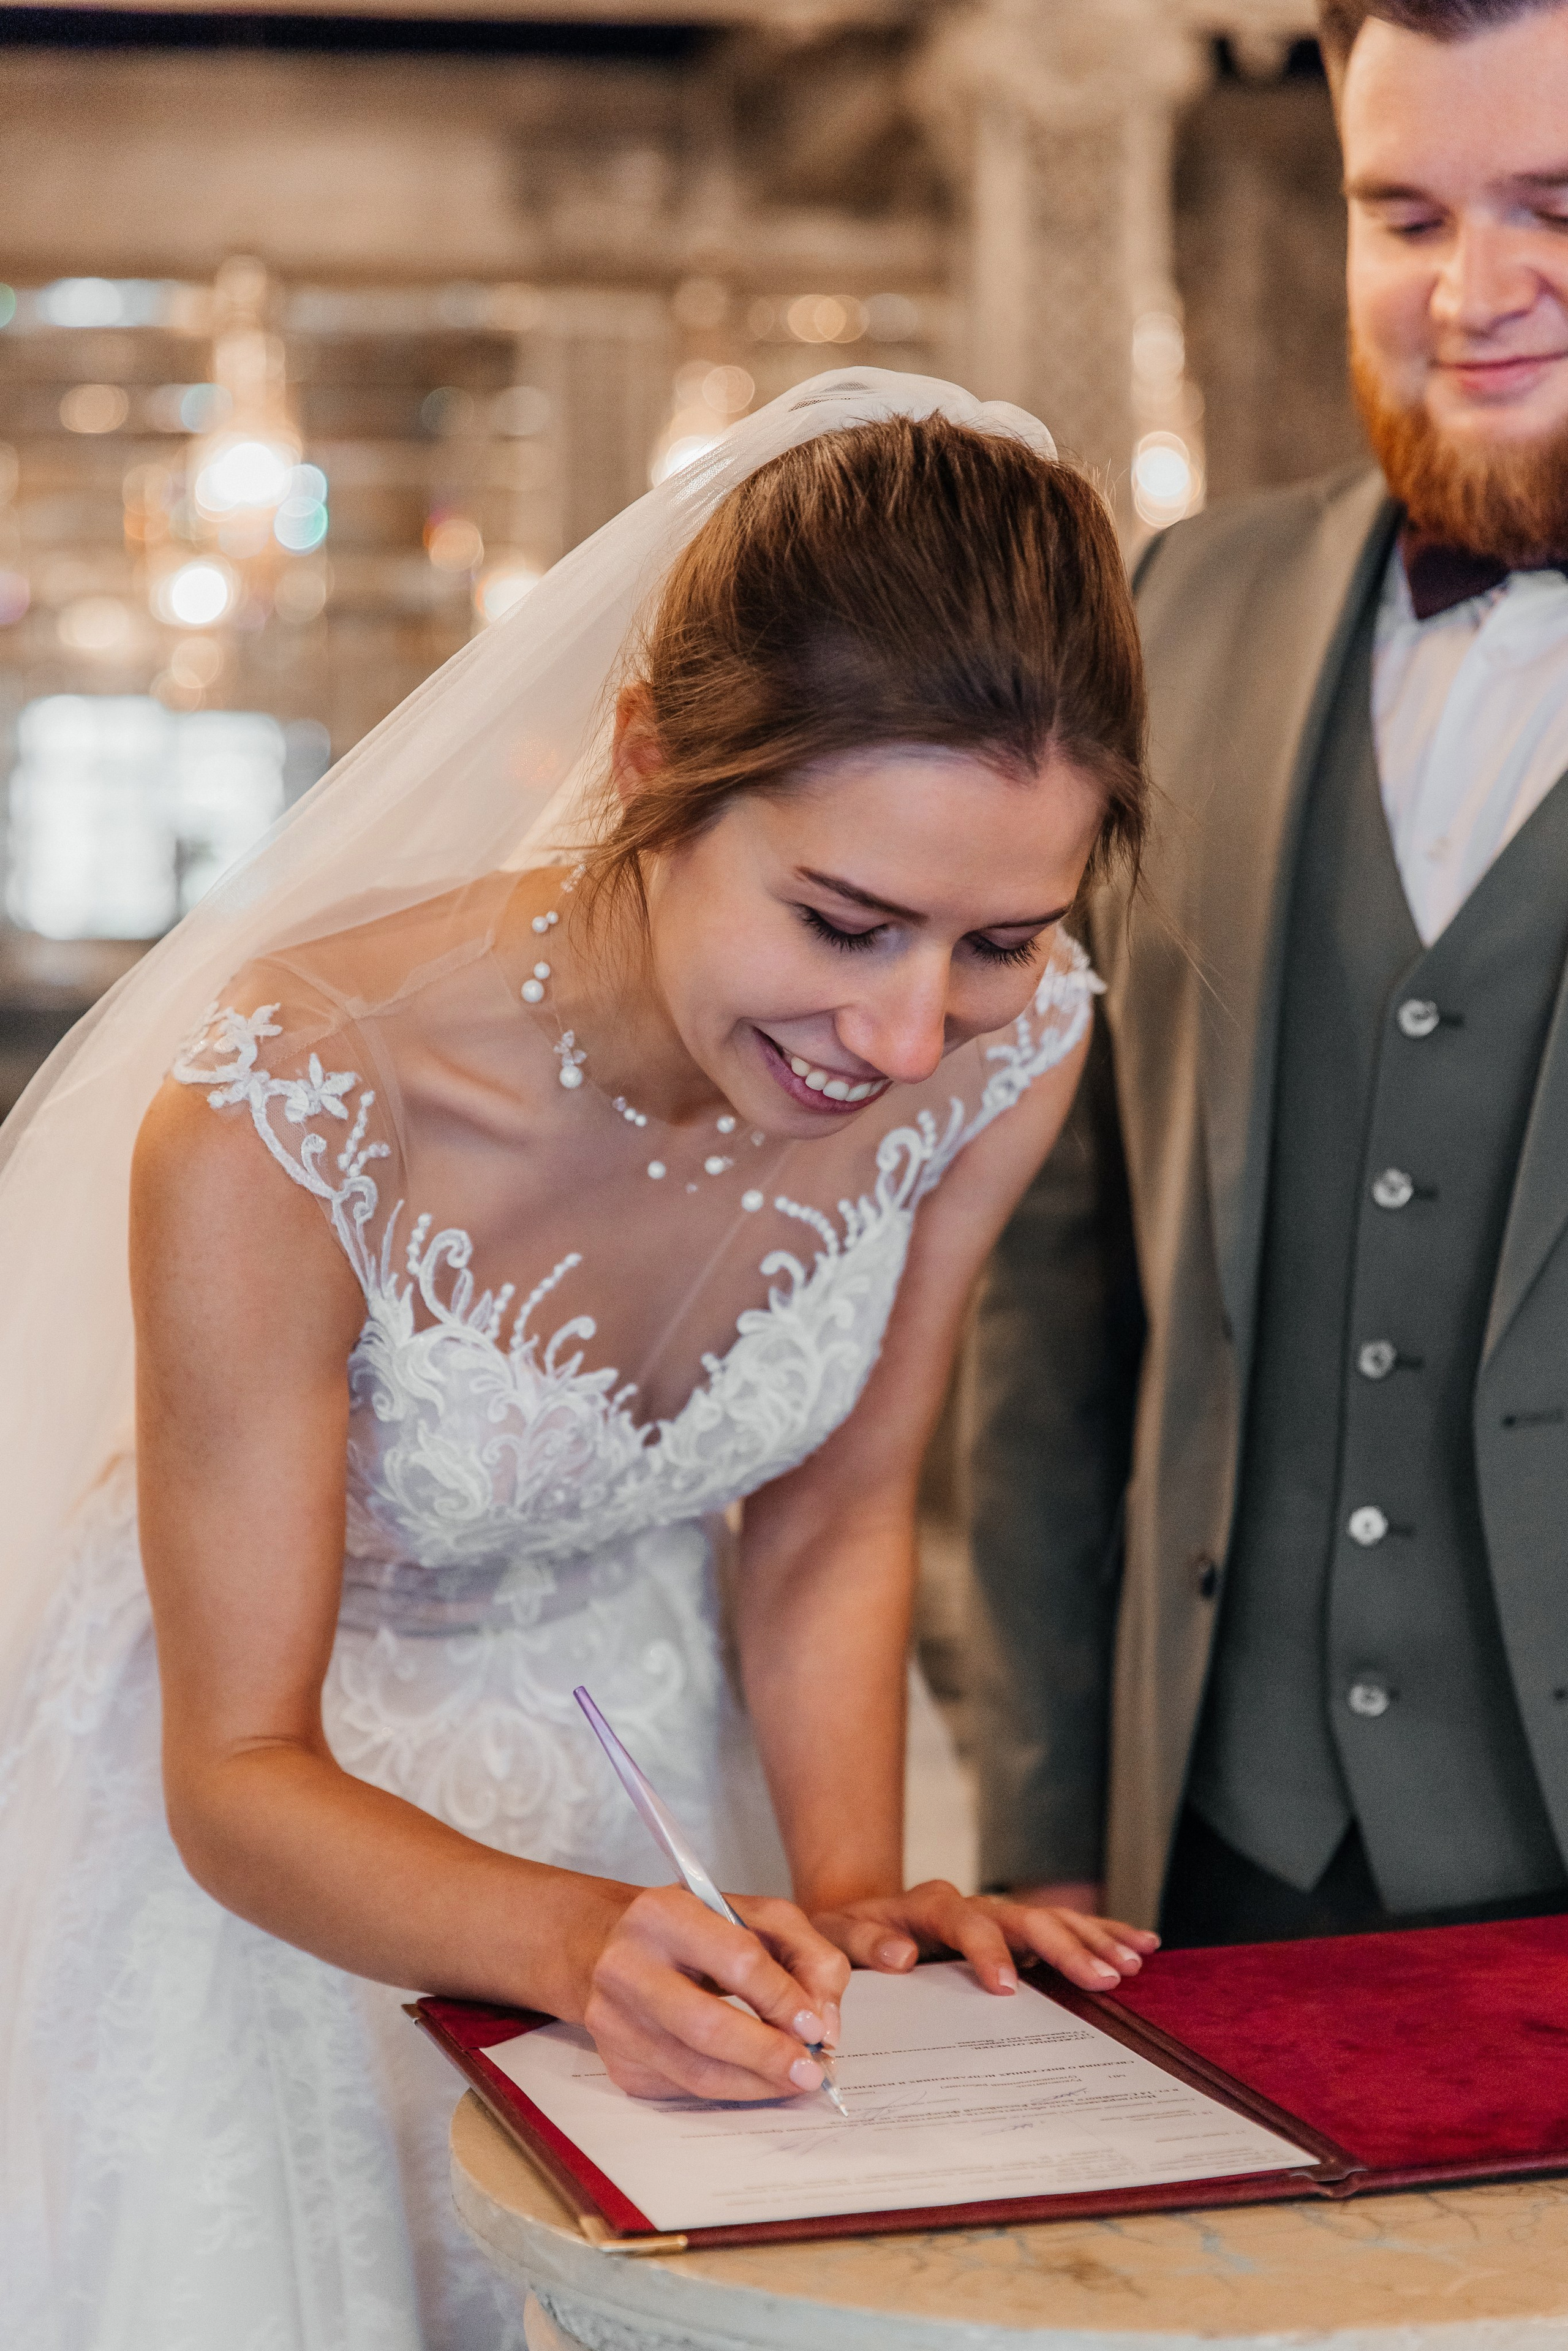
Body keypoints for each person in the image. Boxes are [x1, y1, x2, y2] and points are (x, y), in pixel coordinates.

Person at [1, 371, 1158, 2350]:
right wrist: (572, 1941)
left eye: (999, 939)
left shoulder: (1009, 1060)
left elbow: (833, 1515)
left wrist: (856, 1901)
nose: (905, 1038)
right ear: (646, 766)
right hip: (287, 1861)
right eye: (846, 918)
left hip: (655, 1779)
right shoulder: (296, 1103)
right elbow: (236, 1770)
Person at [968, 0, 1568, 1950]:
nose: (1474, 292)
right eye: (1404, 215)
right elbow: (1054, 1307)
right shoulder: (1176, 612)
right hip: (1210, 1872)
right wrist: (1042, 1833)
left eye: (1557, 206)